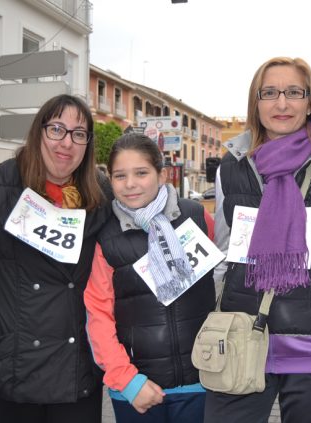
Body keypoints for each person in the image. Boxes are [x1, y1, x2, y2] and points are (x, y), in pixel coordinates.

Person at [0, 94, 110, 423]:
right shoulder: (0, 186)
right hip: (13, 365)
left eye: (79, 134)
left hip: (75, 369)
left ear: (87, 144)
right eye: (57, 129)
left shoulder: (99, 195)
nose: (66, 143)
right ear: (39, 132)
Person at [206, 57, 311, 423]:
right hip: (242, 337)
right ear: (256, 103)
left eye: (293, 92)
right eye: (269, 93)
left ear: (309, 102)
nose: (282, 103)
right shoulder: (230, 168)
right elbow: (226, 254)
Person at [84, 133, 216, 422]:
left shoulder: (197, 217)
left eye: (141, 173)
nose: (130, 184)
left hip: (203, 381)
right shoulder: (105, 235)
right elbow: (98, 316)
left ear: (162, 174)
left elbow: (224, 282)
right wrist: (128, 381)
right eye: (120, 176)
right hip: (137, 389)